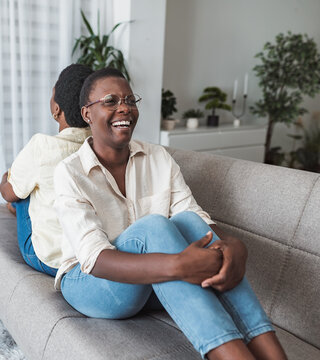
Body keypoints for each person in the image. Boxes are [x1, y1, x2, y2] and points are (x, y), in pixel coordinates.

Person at [53, 68, 288, 360]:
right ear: (87, 113)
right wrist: (178, 265)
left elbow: (194, 216)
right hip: (92, 282)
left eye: (129, 100)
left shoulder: (158, 157)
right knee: (153, 227)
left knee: (188, 221)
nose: (124, 107)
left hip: (150, 281)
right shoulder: (69, 172)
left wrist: (233, 246)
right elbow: (95, 259)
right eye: (111, 101)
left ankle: (274, 355)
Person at [0, 64, 93, 277]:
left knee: (21, 193)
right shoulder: (101, 147)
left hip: (48, 258)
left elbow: (7, 192)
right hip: (91, 255)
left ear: (56, 109)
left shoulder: (42, 146)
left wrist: (5, 177)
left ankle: (19, 207)